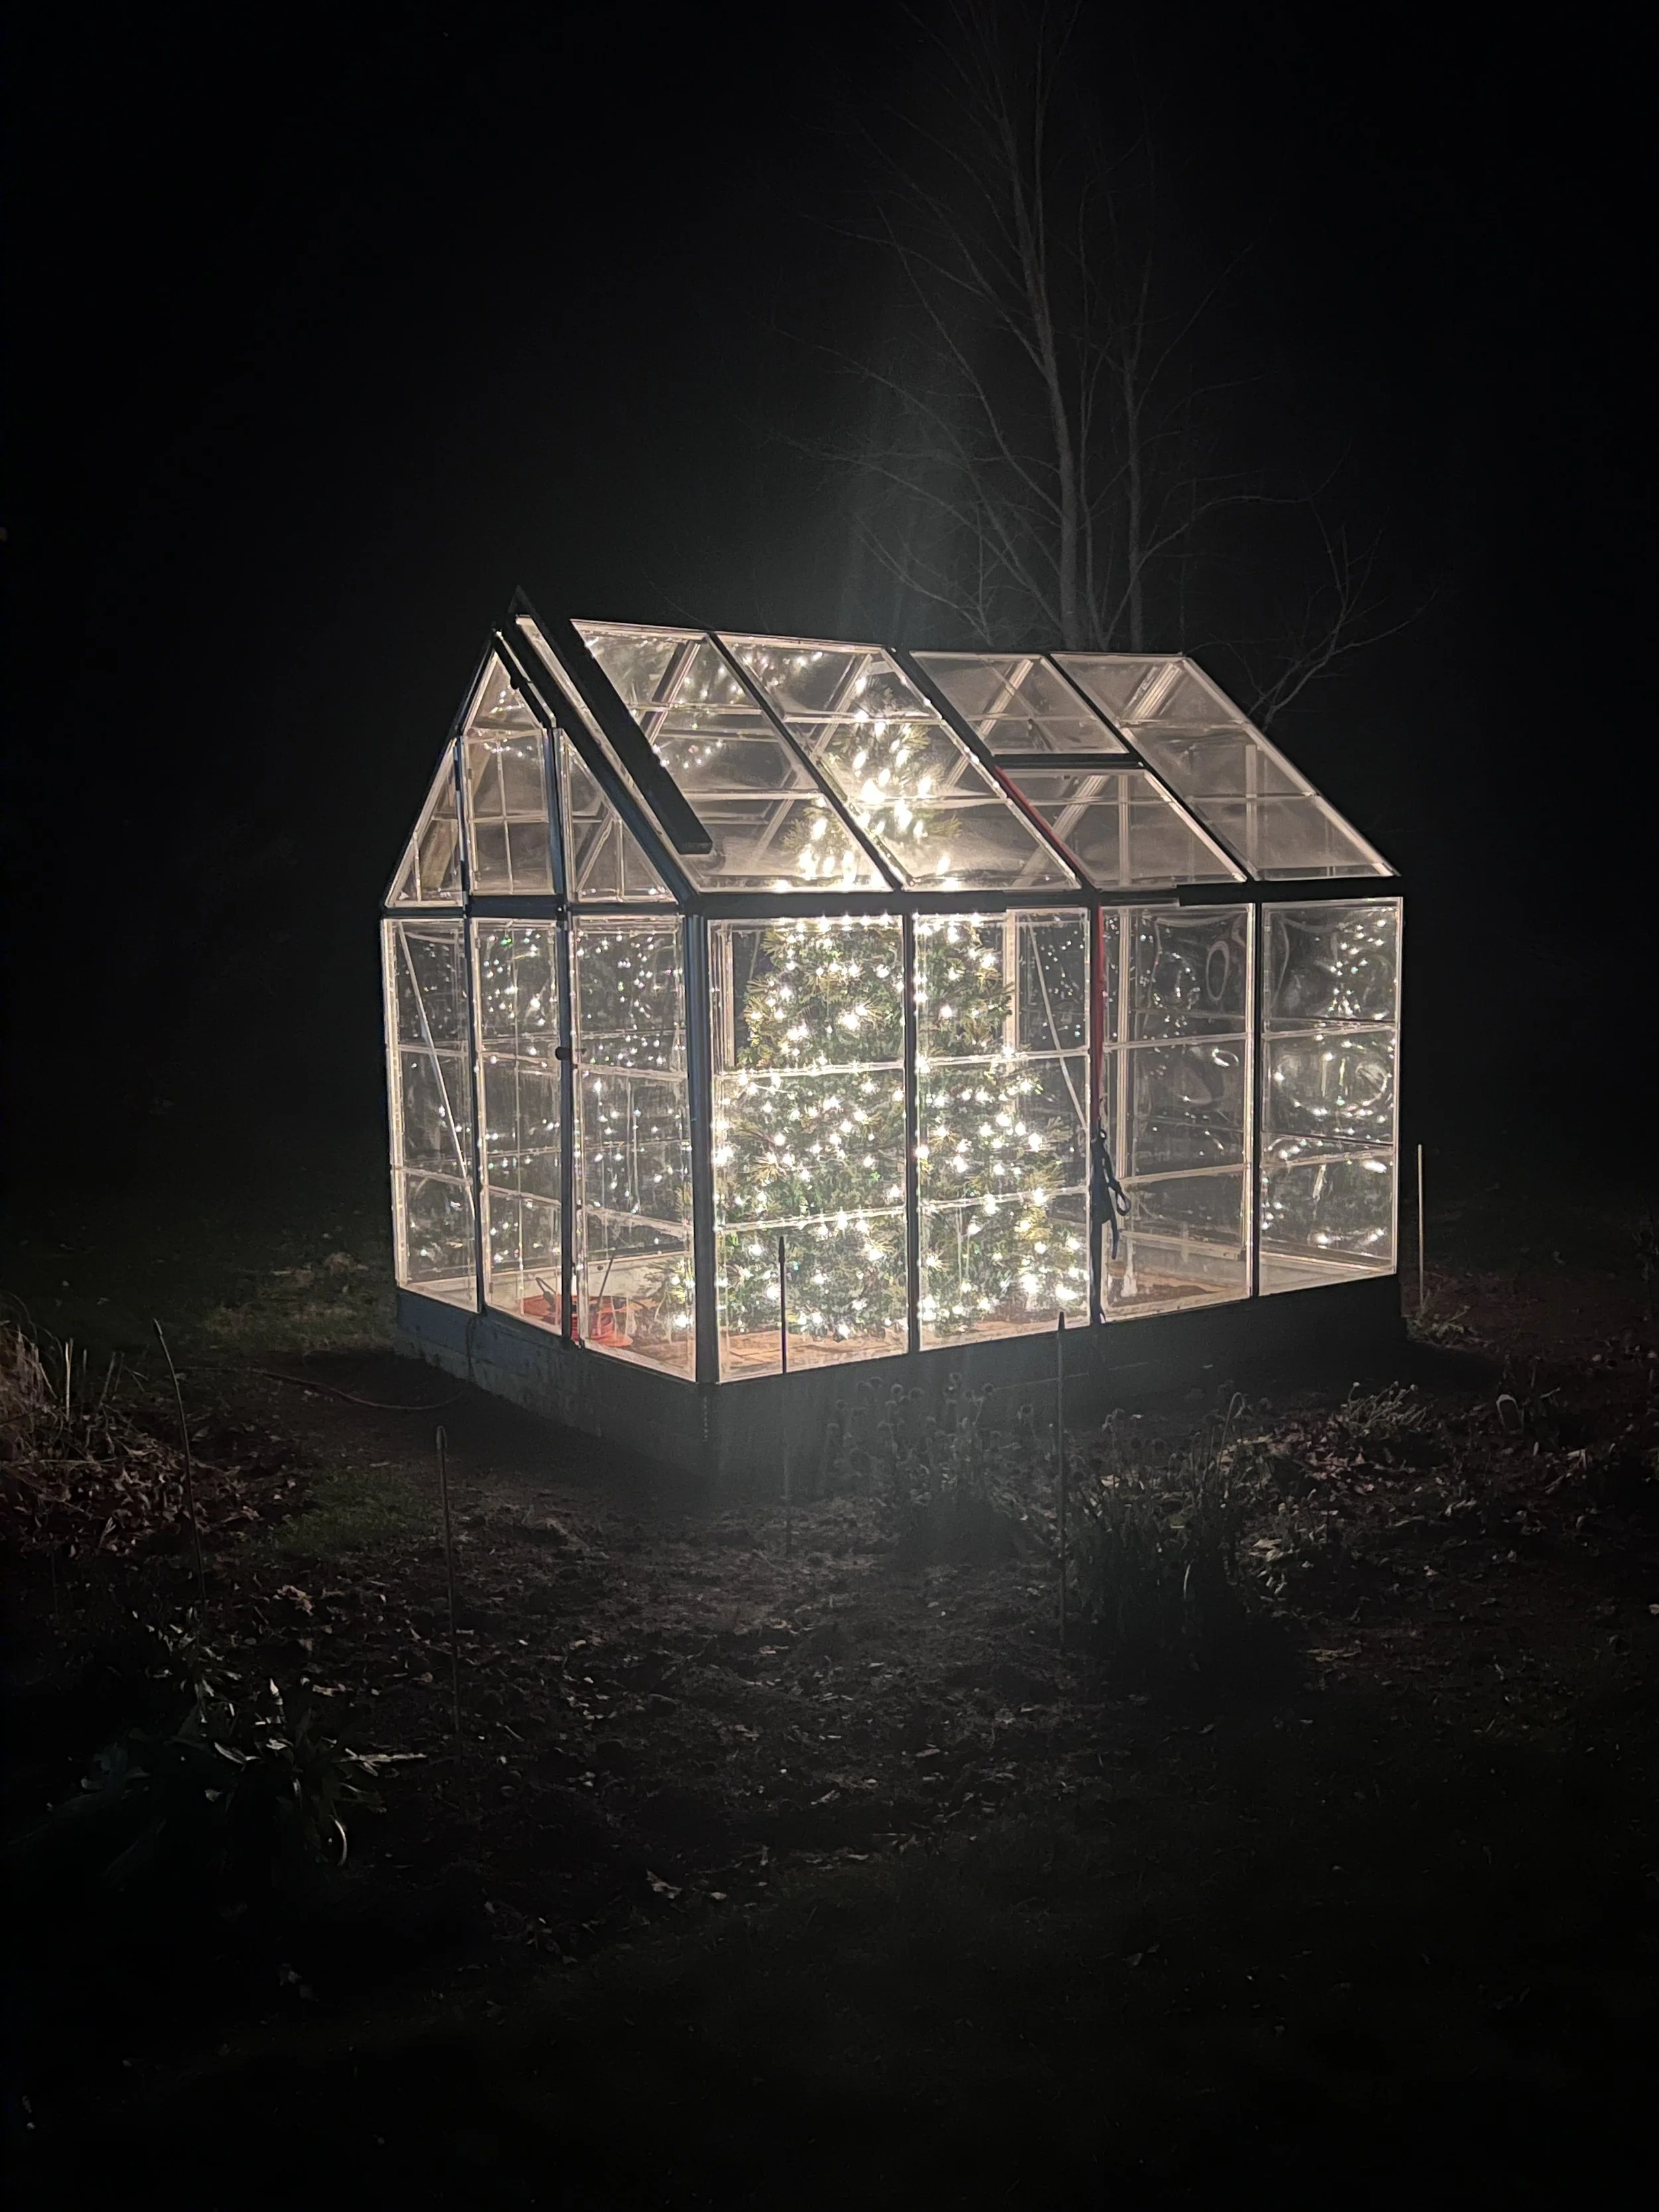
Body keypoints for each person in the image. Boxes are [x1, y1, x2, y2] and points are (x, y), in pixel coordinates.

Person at [1088, 1125, 1129, 1323]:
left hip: (1098, 1205)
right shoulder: (1100, 1157)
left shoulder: (1101, 1157)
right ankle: (1095, 1305)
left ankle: (1096, 1305)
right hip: (1097, 1205)